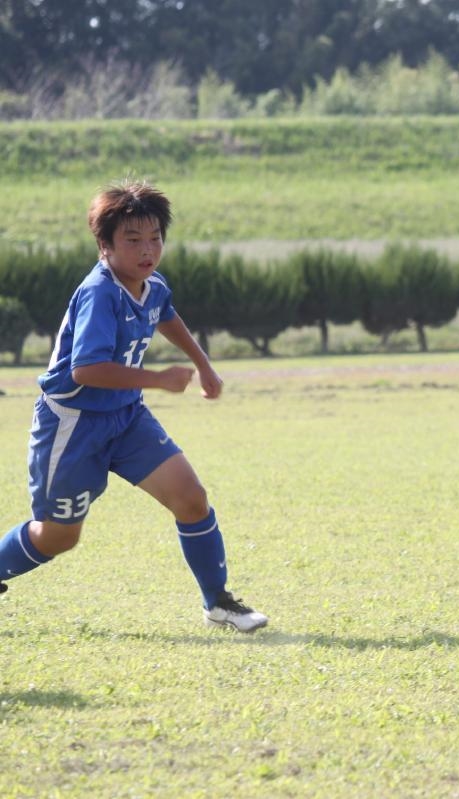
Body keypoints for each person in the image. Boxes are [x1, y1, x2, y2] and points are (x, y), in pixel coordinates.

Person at [0, 180, 268, 633]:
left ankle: (219, 603)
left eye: (155, 238)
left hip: (127, 418)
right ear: (104, 245)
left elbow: (165, 314)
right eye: (132, 240)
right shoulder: (100, 292)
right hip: (73, 425)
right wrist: (159, 379)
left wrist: (203, 365)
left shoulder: (151, 284)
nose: (147, 250)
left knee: (191, 498)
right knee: (58, 536)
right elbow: (86, 370)